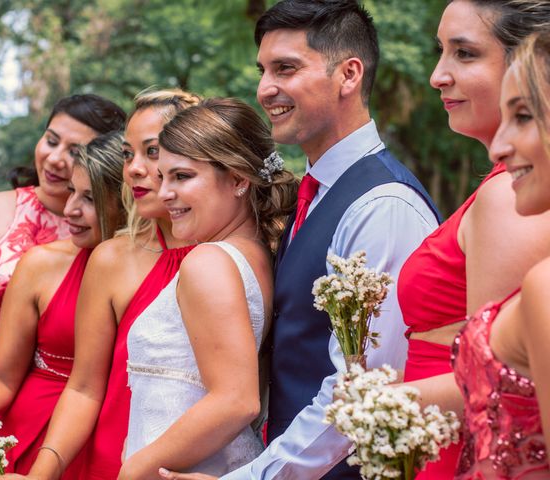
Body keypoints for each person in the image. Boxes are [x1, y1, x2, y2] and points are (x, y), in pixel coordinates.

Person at [159, 1, 439, 479]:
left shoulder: (383, 205)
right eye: (263, 70)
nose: (265, 89)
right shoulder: (311, 197)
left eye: (285, 68)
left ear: (348, 74)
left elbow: (361, 391)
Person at [0, 89, 200, 480]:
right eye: (127, 154)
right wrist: (41, 473)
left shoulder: (240, 248)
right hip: (108, 460)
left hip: (201, 464)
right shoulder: (112, 259)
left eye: (151, 151)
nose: (134, 168)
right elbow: (85, 388)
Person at [397, 1, 550, 476]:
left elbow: (501, 390)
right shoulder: (504, 188)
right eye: (440, 51)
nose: (437, 75)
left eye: (464, 53)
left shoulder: (507, 198)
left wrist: (378, 403)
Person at [0, 131, 128, 478]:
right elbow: (2, 377)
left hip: (117, 438)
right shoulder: (39, 264)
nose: (70, 208)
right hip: (34, 431)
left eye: (89, 198)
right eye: (72, 191)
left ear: (125, 201)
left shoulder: (159, 267)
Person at [119, 97, 297, 480]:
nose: (165, 192)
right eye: (163, 176)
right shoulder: (258, 257)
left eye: (182, 177)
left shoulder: (209, 262)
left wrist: (134, 470)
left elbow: (236, 399)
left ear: (237, 179)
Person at [0, 94, 127, 384]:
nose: (55, 159)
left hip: (56, 394)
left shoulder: (106, 240)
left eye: (74, 151)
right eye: (52, 140)